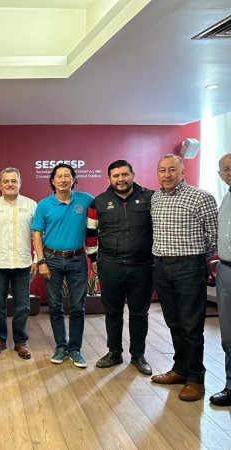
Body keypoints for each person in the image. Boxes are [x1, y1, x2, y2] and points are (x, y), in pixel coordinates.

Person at [150, 154, 217, 402]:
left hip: (189, 267)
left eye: (172, 170)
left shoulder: (201, 197)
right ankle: (180, 369)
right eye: (162, 170)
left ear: (183, 172)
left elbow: (214, 236)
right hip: (161, 267)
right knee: (174, 323)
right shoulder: (155, 198)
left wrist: (193, 258)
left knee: (191, 326)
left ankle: (196, 378)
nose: (167, 174)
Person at [86, 160, 154, 375]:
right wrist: (94, 259)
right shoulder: (98, 202)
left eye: (124, 174)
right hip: (111, 267)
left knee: (139, 313)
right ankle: (114, 353)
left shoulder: (150, 197)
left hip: (142, 267)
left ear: (133, 175)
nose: (121, 179)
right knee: (113, 312)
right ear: (109, 179)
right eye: (115, 176)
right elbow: (90, 233)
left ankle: (138, 355)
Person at [32, 163, 94, 368]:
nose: (63, 180)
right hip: (51, 260)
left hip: (77, 259)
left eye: (67, 176)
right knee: (55, 306)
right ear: (52, 180)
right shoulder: (44, 204)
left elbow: (98, 221)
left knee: (78, 307)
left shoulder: (86, 200)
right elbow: (36, 234)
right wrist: (41, 260)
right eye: (59, 176)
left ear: (74, 179)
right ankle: (61, 347)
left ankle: (75, 349)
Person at [0, 167, 36, 359]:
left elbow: (38, 235)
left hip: (23, 264)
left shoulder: (31, 205)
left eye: (14, 180)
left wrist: (37, 259)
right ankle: (0, 340)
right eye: (6, 181)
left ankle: (20, 341)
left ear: (20, 182)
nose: (10, 184)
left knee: (23, 306)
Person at [212, 152, 231, 406]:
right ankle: (230, 385)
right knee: (228, 335)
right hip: (225, 270)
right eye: (225, 169)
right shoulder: (226, 198)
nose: (230, 172)